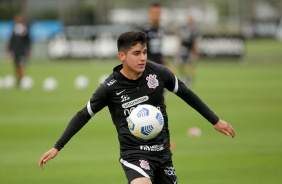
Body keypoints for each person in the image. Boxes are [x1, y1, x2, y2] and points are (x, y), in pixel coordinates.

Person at [38, 30, 235, 184]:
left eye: (144, 52)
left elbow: (186, 93)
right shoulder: (109, 88)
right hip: (134, 154)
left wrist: (215, 120)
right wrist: (57, 147)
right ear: (121, 56)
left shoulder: (158, 73)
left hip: (162, 153)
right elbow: (84, 114)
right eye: (136, 53)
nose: (142, 58)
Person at [141, 3, 173, 71]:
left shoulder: (160, 30)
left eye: (158, 13)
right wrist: (152, 64)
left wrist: (168, 65)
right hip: (147, 67)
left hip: (158, 66)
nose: (156, 16)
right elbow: (139, 53)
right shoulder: (144, 30)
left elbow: (158, 53)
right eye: (154, 13)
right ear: (149, 14)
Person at [7, 13, 31, 87]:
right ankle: (19, 79)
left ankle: (23, 79)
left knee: (21, 65)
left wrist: (28, 50)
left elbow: (28, 41)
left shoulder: (24, 30)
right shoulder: (15, 29)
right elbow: (11, 40)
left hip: (22, 51)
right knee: (16, 65)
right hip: (16, 51)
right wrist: (9, 49)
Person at [176, 15, 200, 85]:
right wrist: (178, 49)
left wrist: (195, 51)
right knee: (179, 63)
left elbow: (195, 40)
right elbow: (180, 38)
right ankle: (185, 76)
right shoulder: (182, 28)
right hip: (184, 48)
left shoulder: (195, 29)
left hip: (191, 49)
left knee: (191, 64)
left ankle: (189, 79)